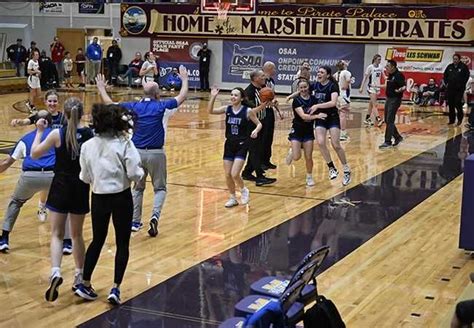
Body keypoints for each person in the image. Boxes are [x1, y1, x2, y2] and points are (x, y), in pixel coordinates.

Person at [95, 66, 188, 236]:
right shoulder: (162, 107)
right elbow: (182, 96)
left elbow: (110, 104)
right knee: (160, 188)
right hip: (156, 153)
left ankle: (135, 222)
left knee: (137, 188)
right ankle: (154, 217)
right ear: (157, 94)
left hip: (136, 153)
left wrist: (101, 88)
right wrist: (185, 79)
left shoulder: (133, 106)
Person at [75, 103, 143, 305]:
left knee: (97, 239)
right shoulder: (124, 143)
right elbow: (134, 172)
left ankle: (85, 282)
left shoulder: (87, 145)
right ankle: (115, 288)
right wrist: (136, 178)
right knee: (123, 243)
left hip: (98, 197)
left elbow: (84, 176)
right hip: (121, 196)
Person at [31, 97, 93, 302]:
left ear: (65, 114)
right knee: (76, 235)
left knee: (57, 234)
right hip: (81, 185)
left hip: (60, 186)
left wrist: (39, 132)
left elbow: (35, 154)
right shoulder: (89, 135)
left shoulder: (57, 134)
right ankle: (79, 275)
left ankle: (56, 271)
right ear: (82, 113)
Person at [0, 110, 55, 253]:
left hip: (30, 177)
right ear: (51, 122)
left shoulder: (25, 139)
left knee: (16, 202)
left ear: (35, 122)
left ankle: (4, 239)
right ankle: (67, 242)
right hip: (52, 176)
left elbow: (7, 162)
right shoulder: (57, 136)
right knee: (65, 206)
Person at [208, 87, 264, 207]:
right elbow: (211, 111)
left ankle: (244, 190)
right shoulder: (227, 109)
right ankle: (233, 197)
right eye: (232, 94)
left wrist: (255, 131)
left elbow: (259, 124)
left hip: (242, 145)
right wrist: (213, 96)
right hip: (229, 144)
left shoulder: (247, 111)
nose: (233, 97)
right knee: (227, 174)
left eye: (236, 95)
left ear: (242, 98)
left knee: (234, 173)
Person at [309, 65, 351, 186]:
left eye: (321, 72)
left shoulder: (332, 86)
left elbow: (333, 103)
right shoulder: (315, 85)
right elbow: (303, 89)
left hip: (332, 117)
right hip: (321, 117)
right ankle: (332, 168)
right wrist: (292, 95)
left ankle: (346, 170)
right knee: (321, 142)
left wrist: (317, 106)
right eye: (318, 72)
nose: (318, 74)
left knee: (335, 144)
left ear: (327, 75)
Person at [285, 79, 327, 186]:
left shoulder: (314, 99)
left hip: (308, 131)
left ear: (308, 87)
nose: (303, 89)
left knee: (308, 156)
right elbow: (304, 116)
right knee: (296, 157)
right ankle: (292, 152)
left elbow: (322, 108)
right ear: (298, 89)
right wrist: (317, 116)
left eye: (305, 87)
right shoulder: (297, 101)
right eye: (301, 88)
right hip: (297, 130)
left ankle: (309, 177)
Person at [241, 69, 276, 186]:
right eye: (262, 76)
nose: (264, 77)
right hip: (250, 125)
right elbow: (250, 111)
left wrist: (271, 101)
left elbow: (267, 101)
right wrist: (263, 105)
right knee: (255, 150)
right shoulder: (248, 92)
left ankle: (247, 172)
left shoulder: (262, 89)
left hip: (261, 122)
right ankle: (260, 176)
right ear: (255, 78)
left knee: (257, 149)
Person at [379, 60, 405, 149]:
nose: (386, 68)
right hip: (388, 98)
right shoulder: (390, 75)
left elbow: (404, 86)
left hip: (395, 99)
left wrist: (399, 90)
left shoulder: (399, 75)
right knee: (387, 119)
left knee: (390, 120)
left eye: (387, 66)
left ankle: (387, 141)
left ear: (393, 67)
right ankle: (398, 137)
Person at [443, 54, 470, 126]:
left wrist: (462, 84)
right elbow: (445, 75)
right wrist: (446, 83)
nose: (455, 60)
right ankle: (451, 120)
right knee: (451, 105)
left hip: (459, 89)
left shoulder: (463, 67)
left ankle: (460, 119)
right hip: (450, 88)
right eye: (454, 59)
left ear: (459, 59)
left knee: (457, 103)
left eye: (456, 59)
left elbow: (467, 76)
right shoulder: (450, 66)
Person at [359, 54, 384, 127]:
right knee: (375, 104)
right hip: (371, 88)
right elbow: (365, 78)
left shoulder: (380, 67)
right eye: (379, 59)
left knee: (371, 104)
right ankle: (378, 119)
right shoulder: (370, 67)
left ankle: (367, 119)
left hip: (377, 87)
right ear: (375, 59)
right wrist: (361, 87)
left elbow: (384, 76)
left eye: (380, 59)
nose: (380, 61)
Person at [262, 61, 278, 170]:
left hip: (270, 110)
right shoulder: (261, 80)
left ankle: (267, 160)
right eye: (274, 69)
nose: (275, 71)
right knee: (263, 137)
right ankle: (261, 161)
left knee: (269, 137)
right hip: (262, 111)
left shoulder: (271, 81)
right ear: (268, 68)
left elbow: (273, 97)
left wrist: (279, 110)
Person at [333, 60, 352, 141]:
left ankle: (334, 133)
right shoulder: (346, 72)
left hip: (337, 95)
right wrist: (346, 85)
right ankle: (343, 133)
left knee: (336, 115)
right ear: (344, 65)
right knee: (343, 114)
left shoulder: (335, 74)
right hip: (344, 95)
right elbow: (348, 80)